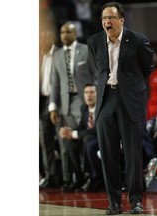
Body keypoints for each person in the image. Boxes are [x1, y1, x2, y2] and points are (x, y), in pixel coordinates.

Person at [87, 2, 154, 214]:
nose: (107, 21)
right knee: (108, 154)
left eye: (112, 18)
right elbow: (96, 69)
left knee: (133, 154)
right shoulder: (94, 41)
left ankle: (135, 201)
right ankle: (114, 203)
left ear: (121, 20)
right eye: (104, 18)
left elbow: (147, 67)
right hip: (106, 100)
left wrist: (131, 86)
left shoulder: (137, 40)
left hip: (129, 100)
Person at [48, 21, 94, 190]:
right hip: (64, 103)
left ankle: (89, 176)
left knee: (83, 140)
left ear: (75, 34)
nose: (64, 35)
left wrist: (93, 98)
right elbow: (55, 83)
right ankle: (73, 177)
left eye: (68, 32)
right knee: (66, 143)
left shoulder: (86, 50)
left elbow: (95, 75)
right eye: (62, 32)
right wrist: (53, 106)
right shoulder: (57, 55)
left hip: (83, 101)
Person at [59, 83, 104, 192]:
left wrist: (75, 134)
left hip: (100, 140)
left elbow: (96, 131)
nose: (89, 95)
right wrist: (70, 132)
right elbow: (81, 127)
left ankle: (93, 176)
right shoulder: (84, 108)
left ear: (97, 95)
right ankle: (79, 176)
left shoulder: (101, 108)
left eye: (92, 92)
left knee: (87, 140)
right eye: (86, 93)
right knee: (70, 143)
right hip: (87, 140)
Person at [39, 27, 60, 188]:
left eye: (42, 38)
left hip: (59, 101)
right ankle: (50, 175)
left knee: (63, 140)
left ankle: (70, 175)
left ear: (50, 37)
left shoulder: (59, 54)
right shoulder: (38, 56)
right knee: (45, 140)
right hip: (42, 102)